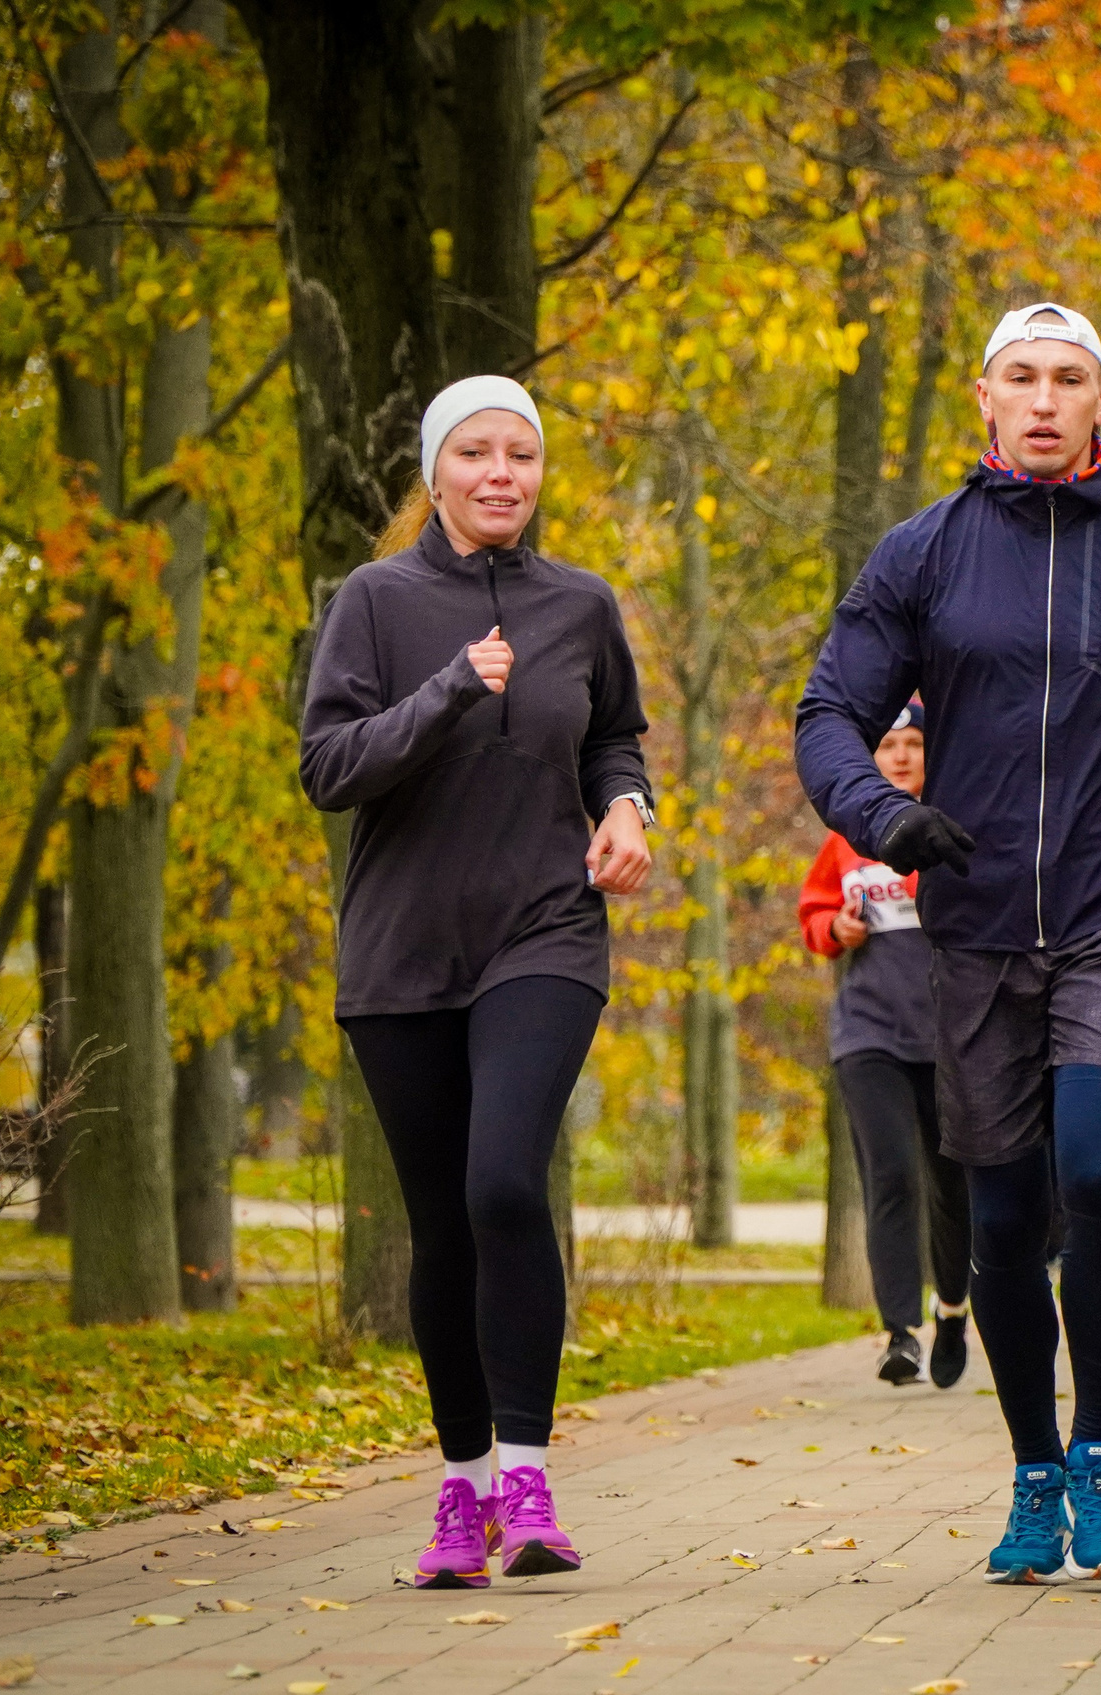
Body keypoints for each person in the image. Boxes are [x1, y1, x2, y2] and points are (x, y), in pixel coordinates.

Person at [795, 301, 1101, 1584]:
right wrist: (883, 816)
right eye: (1020, 377)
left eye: (1067, 378)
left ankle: (1091, 1453)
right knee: (1004, 1218)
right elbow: (829, 710)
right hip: (970, 932)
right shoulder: (924, 554)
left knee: (1096, 1170)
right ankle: (1029, 1474)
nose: (1042, 399)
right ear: (983, 397)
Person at [299, 375, 653, 1588]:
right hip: (400, 952)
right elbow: (331, 768)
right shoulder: (375, 602)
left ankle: (528, 1476)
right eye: (477, 455)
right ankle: (459, 1495)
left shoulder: (581, 604)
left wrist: (626, 806)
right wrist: (453, 688)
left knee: (505, 1181)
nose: (502, 474)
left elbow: (614, 734)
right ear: (436, 472)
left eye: (523, 455)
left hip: (544, 933)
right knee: (442, 1221)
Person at [798, 703, 971, 1388]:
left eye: (912, 744)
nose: (899, 756)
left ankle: (952, 1306)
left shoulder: (956, 825)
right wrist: (834, 927)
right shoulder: (849, 838)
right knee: (892, 1174)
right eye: (887, 745)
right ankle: (899, 1331)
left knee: (951, 1184)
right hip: (868, 1031)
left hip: (951, 1033)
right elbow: (813, 912)